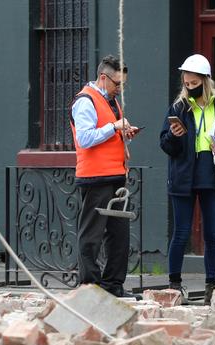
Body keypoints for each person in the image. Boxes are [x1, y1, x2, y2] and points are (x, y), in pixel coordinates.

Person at [159, 54, 215, 305]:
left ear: (205, 82)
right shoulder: (178, 108)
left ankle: (211, 288)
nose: (189, 87)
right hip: (183, 175)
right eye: (186, 83)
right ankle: (174, 285)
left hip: (212, 173)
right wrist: (173, 136)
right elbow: (165, 145)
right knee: (181, 233)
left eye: (194, 83)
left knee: (212, 236)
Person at [70, 55, 142, 299]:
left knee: (118, 235)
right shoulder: (85, 101)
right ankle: (90, 287)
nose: (120, 89)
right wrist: (114, 127)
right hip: (95, 177)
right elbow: (85, 138)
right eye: (117, 83)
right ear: (103, 78)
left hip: (116, 175)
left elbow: (107, 134)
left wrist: (124, 132)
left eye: (122, 84)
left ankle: (113, 286)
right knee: (91, 234)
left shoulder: (110, 101)